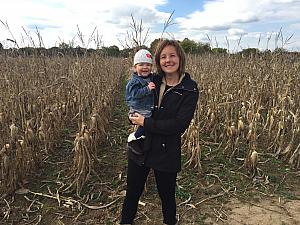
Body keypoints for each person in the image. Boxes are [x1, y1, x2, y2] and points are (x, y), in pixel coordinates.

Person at [120, 39, 199, 225]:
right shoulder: (151, 80)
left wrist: (146, 122)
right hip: (141, 147)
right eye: (163, 57)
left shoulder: (189, 88)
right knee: (132, 193)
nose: (168, 60)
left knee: (167, 196)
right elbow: (134, 103)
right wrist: (132, 117)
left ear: (180, 58)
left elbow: (179, 125)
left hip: (167, 151)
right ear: (158, 61)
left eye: (172, 55)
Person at [125, 49, 156, 150]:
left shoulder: (149, 77)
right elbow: (135, 94)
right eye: (141, 64)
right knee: (147, 123)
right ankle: (135, 137)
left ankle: (142, 136)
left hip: (146, 106)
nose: (145, 67)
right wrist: (147, 89)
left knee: (148, 123)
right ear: (135, 67)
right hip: (140, 108)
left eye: (148, 65)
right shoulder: (134, 82)